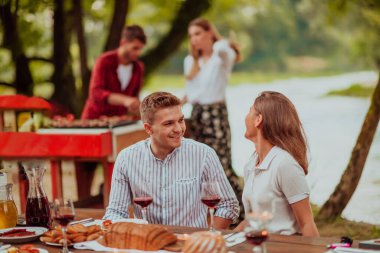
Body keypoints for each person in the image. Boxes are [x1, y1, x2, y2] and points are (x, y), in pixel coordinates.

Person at [104, 92, 239, 228]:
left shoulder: (204, 154)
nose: (179, 129)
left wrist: (206, 237)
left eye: (181, 120)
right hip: (149, 245)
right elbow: (116, 212)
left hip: (189, 246)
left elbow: (228, 205)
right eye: (169, 123)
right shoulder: (126, 159)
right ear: (148, 129)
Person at [182, 18, 244, 220]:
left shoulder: (221, 57)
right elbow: (190, 93)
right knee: (200, 166)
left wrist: (217, 43)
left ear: (209, 32)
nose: (194, 39)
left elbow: (230, 52)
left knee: (223, 164)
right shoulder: (190, 62)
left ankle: (239, 215)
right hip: (197, 114)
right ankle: (208, 216)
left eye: (198, 33)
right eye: (191, 35)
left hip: (217, 114)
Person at [236, 91, 319, 236]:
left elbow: (306, 223)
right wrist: (221, 239)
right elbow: (251, 221)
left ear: (258, 120)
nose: (245, 117)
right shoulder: (251, 164)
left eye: (250, 111)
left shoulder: (285, 164)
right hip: (258, 245)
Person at [78, 25, 146, 199]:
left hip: (120, 124)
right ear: (123, 42)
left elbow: (134, 96)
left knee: (119, 162)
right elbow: (96, 93)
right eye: (135, 48)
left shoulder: (138, 68)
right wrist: (125, 100)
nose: (137, 53)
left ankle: (111, 200)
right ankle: (85, 202)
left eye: (140, 49)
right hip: (94, 120)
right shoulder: (105, 61)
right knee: (87, 166)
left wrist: (135, 108)